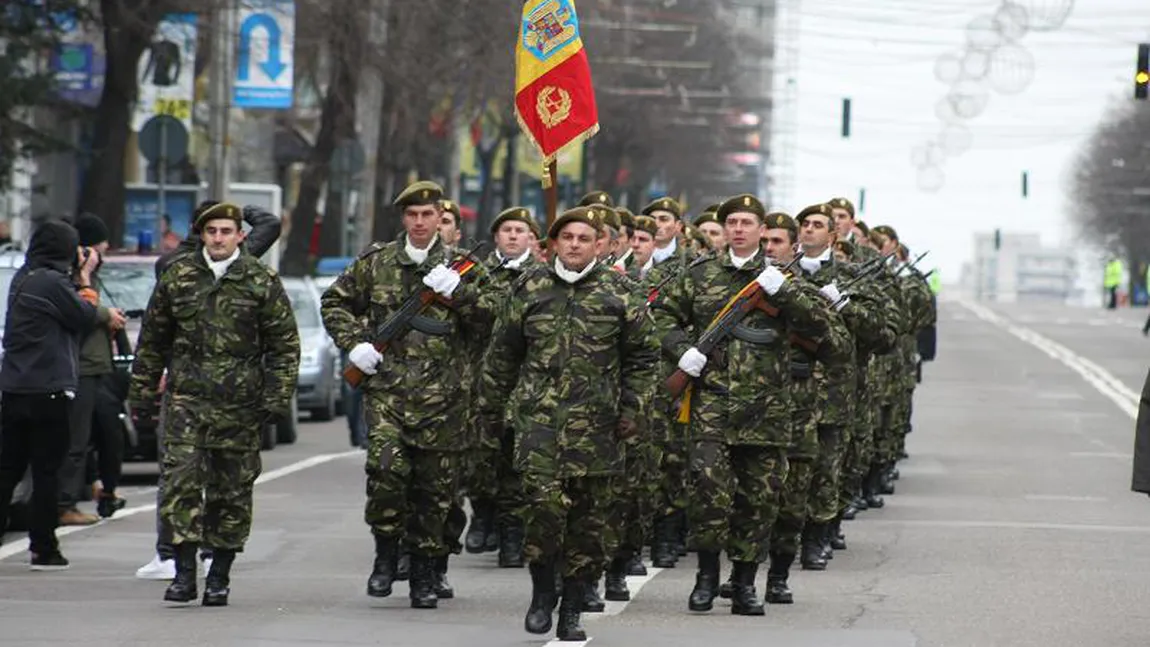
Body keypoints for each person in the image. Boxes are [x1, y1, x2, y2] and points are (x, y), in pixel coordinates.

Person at [479, 206, 658, 641]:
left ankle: (573, 608)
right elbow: (502, 355)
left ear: (600, 244)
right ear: (553, 244)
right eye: (567, 238)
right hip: (538, 425)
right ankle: (543, 592)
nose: (575, 245)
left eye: (584, 238)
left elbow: (643, 358)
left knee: (589, 526)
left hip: (599, 429)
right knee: (541, 513)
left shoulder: (621, 292)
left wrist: (633, 410)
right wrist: (491, 411)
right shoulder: (530, 288)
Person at [652, 194, 828, 615]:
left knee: (759, 500)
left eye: (747, 222)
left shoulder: (783, 279)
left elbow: (821, 329)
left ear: (762, 230)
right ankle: (706, 576)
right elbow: (660, 316)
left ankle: (745, 581)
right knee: (708, 494)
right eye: (732, 221)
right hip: (712, 403)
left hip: (767, 409)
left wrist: (785, 294)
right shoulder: (699, 274)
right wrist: (682, 350)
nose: (738, 229)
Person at [129, 202, 300, 606]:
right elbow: (153, 341)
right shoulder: (179, 277)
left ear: (240, 235)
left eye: (227, 231)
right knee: (180, 487)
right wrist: (141, 391)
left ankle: (220, 573)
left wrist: (277, 397)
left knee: (231, 493)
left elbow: (283, 346)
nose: (219, 239)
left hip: (241, 406)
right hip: (187, 401)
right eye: (212, 232)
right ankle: (184, 574)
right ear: (202, 235)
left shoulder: (260, 280)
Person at [321, 181, 480, 609]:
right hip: (388, 394)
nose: (420, 223)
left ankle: (426, 574)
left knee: (435, 491)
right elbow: (334, 303)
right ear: (403, 218)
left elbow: (494, 323)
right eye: (412, 215)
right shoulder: (376, 263)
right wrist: (354, 344)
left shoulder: (463, 267)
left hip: (444, 399)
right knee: (386, 474)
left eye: (428, 215)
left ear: (440, 217)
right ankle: (386, 554)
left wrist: (459, 295)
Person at [0, 217, 101, 570]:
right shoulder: (52, 282)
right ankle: (43, 545)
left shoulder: (23, 277)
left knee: (8, 468)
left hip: (13, 387)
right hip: (49, 391)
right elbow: (86, 315)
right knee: (46, 472)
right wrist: (86, 279)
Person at [465, 206, 540, 566]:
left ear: (532, 238)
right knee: (481, 457)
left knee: (517, 462)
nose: (512, 236)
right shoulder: (475, 273)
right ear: (496, 237)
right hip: (479, 379)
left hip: (524, 381)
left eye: (519, 230)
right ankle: (483, 512)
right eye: (506, 229)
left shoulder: (541, 276)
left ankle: (513, 534)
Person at [58, 214, 128, 525]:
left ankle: (101, 489)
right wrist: (103, 312)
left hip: (98, 367)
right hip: (81, 369)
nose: (102, 256)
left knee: (102, 435)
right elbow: (80, 312)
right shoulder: (69, 277)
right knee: (76, 441)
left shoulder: (89, 277)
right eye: (98, 249)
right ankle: (63, 503)